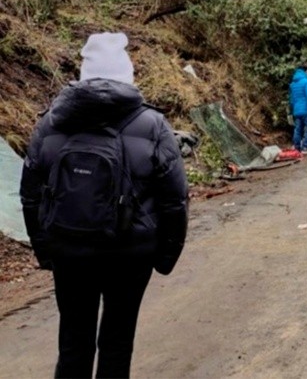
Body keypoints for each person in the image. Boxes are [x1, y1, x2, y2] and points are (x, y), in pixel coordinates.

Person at [19, 32, 188, 378]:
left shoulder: (52, 121)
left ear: (84, 75)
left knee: (73, 343)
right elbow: (174, 199)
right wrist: (165, 256)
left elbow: (30, 194)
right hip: (130, 255)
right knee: (117, 342)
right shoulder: (153, 125)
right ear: (127, 75)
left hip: (69, 252)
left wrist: (45, 251)